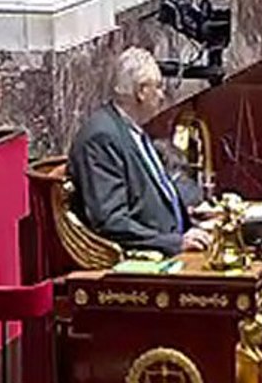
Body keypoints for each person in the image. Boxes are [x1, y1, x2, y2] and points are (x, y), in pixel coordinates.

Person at [68, 47, 211, 256]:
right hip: (149, 256)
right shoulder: (102, 138)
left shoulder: (129, 128)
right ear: (142, 92)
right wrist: (173, 242)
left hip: (176, 239)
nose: (162, 95)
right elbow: (110, 221)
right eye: (158, 87)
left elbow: (154, 192)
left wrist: (190, 216)